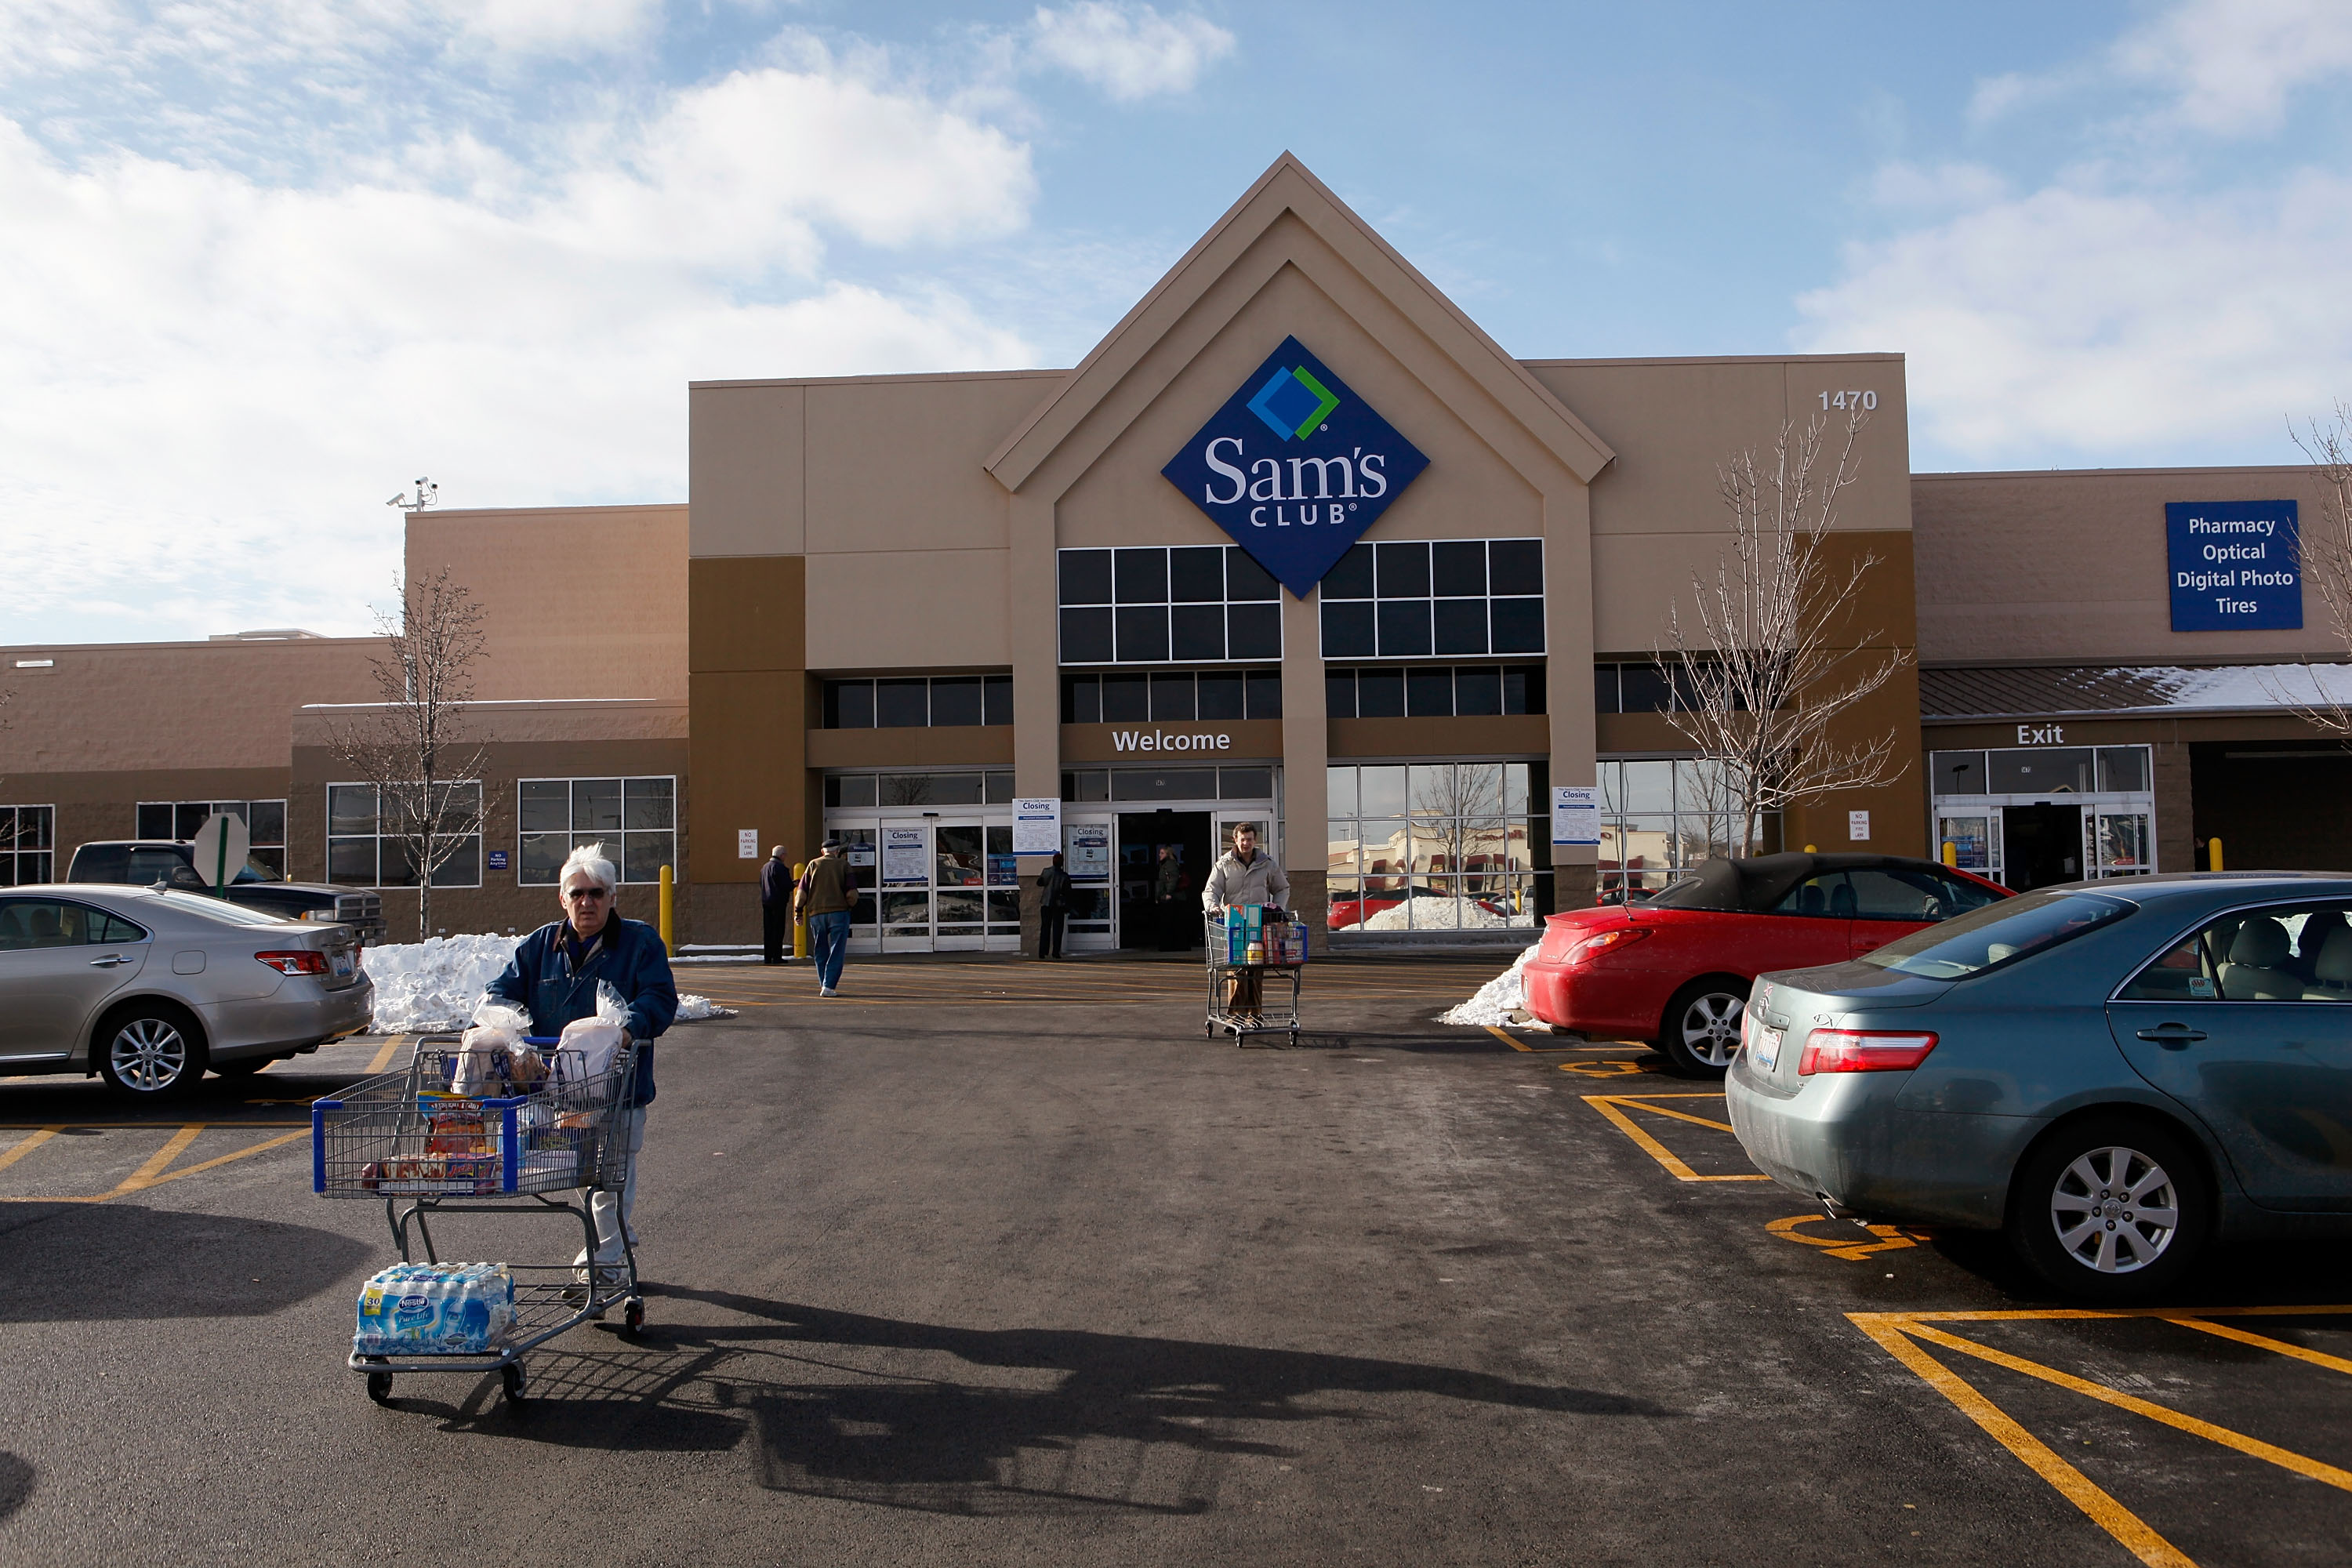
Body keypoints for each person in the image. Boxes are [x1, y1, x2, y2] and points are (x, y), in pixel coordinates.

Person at [484, 841, 677, 1288]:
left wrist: (627, 1028)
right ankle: (613, 1251)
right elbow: (501, 991)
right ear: (562, 899)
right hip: (560, 1095)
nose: (586, 902)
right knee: (586, 1182)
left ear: (613, 897)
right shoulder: (539, 946)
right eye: (578, 894)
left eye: (596, 893)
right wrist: (501, 1027)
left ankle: (605, 1269)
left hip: (618, 1090)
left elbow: (660, 999)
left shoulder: (640, 943)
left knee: (610, 1184)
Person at [1201, 823, 1290, 1022]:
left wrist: (1276, 909)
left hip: (1259, 924)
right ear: (1235, 840)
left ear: (1255, 840)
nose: (1246, 843)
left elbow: (1282, 888)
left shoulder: (1267, 864)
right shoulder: (1224, 864)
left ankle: (1254, 1015)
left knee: (1256, 970)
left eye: (1249, 839)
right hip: (1234, 925)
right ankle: (1235, 1016)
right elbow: (1211, 890)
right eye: (1242, 839)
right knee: (1237, 969)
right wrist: (1212, 906)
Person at [796, 837, 855, 996]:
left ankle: (823, 982)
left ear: (823, 851)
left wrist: (798, 911)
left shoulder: (812, 865)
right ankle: (828, 985)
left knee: (820, 949)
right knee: (837, 949)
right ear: (837, 852)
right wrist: (850, 905)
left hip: (816, 913)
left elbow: (802, 892)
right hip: (839, 912)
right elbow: (851, 892)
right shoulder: (844, 865)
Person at [758, 844, 794, 964]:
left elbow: (761, 884)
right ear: (782, 855)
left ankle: (767, 957)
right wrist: (795, 884)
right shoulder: (780, 868)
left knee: (768, 931)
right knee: (778, 930)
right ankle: (777, 957)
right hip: (778, 903)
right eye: (785, 855)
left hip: (766, 902)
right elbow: (787, 885)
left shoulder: (764, 868)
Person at [1036, 851, 1073, 960]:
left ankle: (1043, 952)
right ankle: (1055, 952)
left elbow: (1039, 883)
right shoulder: (1064, 876)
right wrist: (1068, 906)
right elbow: (1068, 892)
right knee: (1057, 929)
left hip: (1046, 903)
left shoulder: (1046, 872)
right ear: (1062, 863)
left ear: (1053, 862)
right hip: (1058, 905)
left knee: (1045, 928)